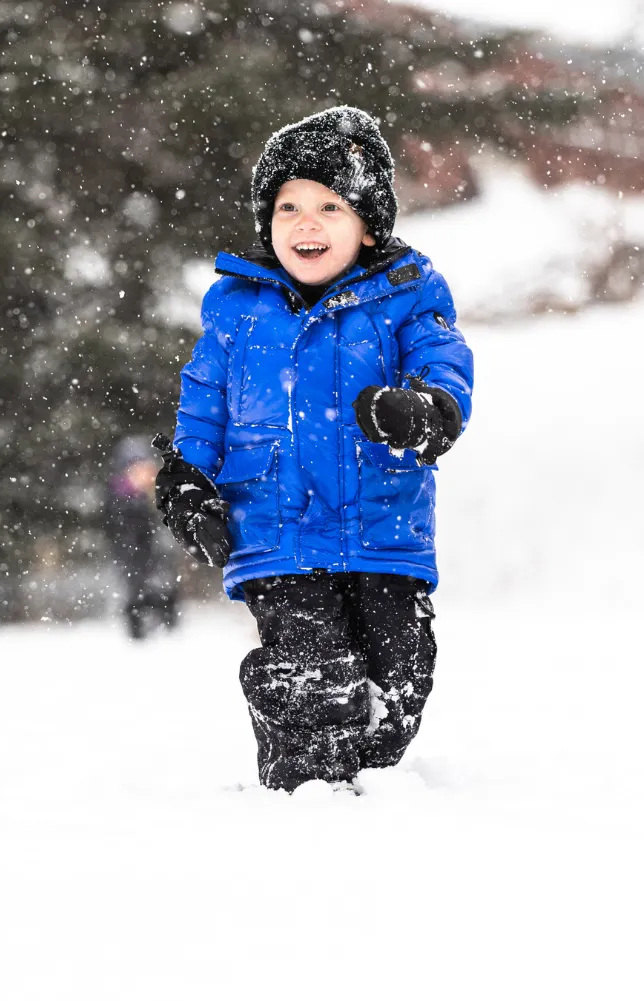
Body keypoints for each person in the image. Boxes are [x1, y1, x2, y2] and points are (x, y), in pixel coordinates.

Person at [153, 106, 473, 790]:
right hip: (276, 530)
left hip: (382, 526)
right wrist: (187, 476)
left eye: (330, 206)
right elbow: (204, 401)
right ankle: (304, 790)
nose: (305, 222)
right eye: (288, 205)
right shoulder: (236, 308)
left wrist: (421, 411)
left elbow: (444, 365)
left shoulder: (408, 295)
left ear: (369, 222)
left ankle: (364, 780)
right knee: (314, 673)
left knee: (400, 681)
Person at [103, 436, 180, 639]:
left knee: (163, 592)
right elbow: (121, 529)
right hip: (135, 561)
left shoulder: (157, 492)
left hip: (155, 562)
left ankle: (166, 626)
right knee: (137, 595)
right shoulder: (120, 498)